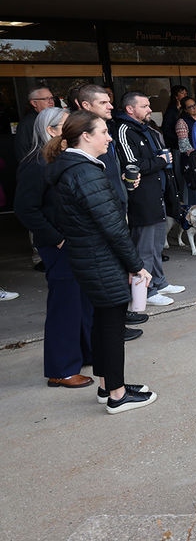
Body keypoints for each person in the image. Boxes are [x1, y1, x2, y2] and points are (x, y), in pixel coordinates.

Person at [45, 110, 157, 413]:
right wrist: (137, 265)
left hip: (91, 258)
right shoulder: (84, 172)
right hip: (100, 260)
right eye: (104, 132)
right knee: (111, 328)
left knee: (102, 324)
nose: (110, 137)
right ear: (86, 136)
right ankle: (118, 395)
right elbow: (113, 227)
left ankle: (108, 385)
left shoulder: (76, 168)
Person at [15, 107, 97, 388]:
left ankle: (85, 353)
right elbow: (25, 209)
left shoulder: (60, 160)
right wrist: (57, 238)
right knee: (65, 307)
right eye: (65, 125)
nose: (72, 128)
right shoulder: (36, 164)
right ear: (51, 131)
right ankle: (61, 369)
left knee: (83, 302)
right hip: (59, 245)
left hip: (76, 242)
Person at [114, 92, 184, 307]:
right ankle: (147, 291)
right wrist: (161, 161)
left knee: (155, 245)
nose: (149, 109)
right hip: (141, 197)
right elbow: (132, 166)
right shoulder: (124, 130)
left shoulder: (147, 129)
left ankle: (159, 282)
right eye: (144, 106)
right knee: (143, 248)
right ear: (130, 109)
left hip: (157, 194)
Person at [15, 86, 55, 162]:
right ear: (34, 103)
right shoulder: (26, 124)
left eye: (52, 98)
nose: (51, 101)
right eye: (45, 99)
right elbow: (22, 151)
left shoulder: (57, 119)